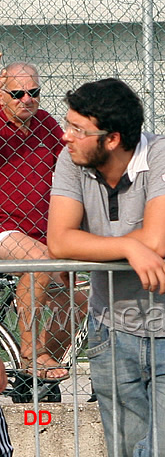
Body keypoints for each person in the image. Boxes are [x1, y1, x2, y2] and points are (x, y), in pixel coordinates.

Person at [47, 78, 165, 457]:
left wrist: (133, 246)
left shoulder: (164, 154)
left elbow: (158, 241)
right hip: (110, 330)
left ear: (112, 139)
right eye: (67, 124)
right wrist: (126, 247)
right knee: (122, 450)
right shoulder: (71, 160)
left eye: (78, 129)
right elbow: (60, 240)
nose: (66, 136)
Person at [0, 61, 84, 380]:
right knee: (40, 258)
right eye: (18, 93)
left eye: (33, 92)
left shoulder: (46, 126)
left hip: (43, 234)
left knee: (80, 303)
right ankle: (32, 355)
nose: (26, 99)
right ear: (2, 94)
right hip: (4, 230)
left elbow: (74, 165)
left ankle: (36, 378)